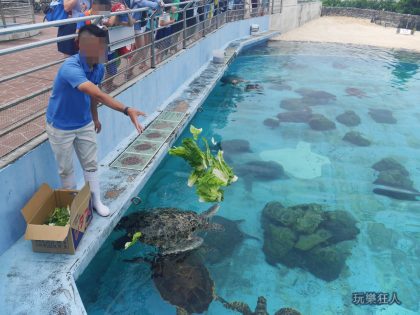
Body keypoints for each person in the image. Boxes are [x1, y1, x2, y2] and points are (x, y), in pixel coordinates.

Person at [46, 24, 146, 217]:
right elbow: (97, 94)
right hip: (60, 126)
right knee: (66, 170)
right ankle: (72, 207)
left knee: (90, 164)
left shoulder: (98, 67)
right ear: (78, 44)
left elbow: (93, 97)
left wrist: (95, 117)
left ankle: (95, 201)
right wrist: (127, 110)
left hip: (84, 123)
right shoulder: (70, 67)